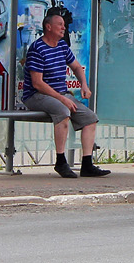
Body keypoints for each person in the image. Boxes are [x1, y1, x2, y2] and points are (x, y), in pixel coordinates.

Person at [21, 13, 109, 178]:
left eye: (64, 25)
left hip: (59, 94)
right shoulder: (37, 48)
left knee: (90, 118)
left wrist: (83, 84)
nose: (64, 28)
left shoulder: (62, 46)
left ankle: (87, 164)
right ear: (48, 27)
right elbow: (37, 83)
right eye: (60, 24)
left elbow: (76, 67)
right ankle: (61, 161)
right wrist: (62, 99)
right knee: (63, 111)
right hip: (36, 95)